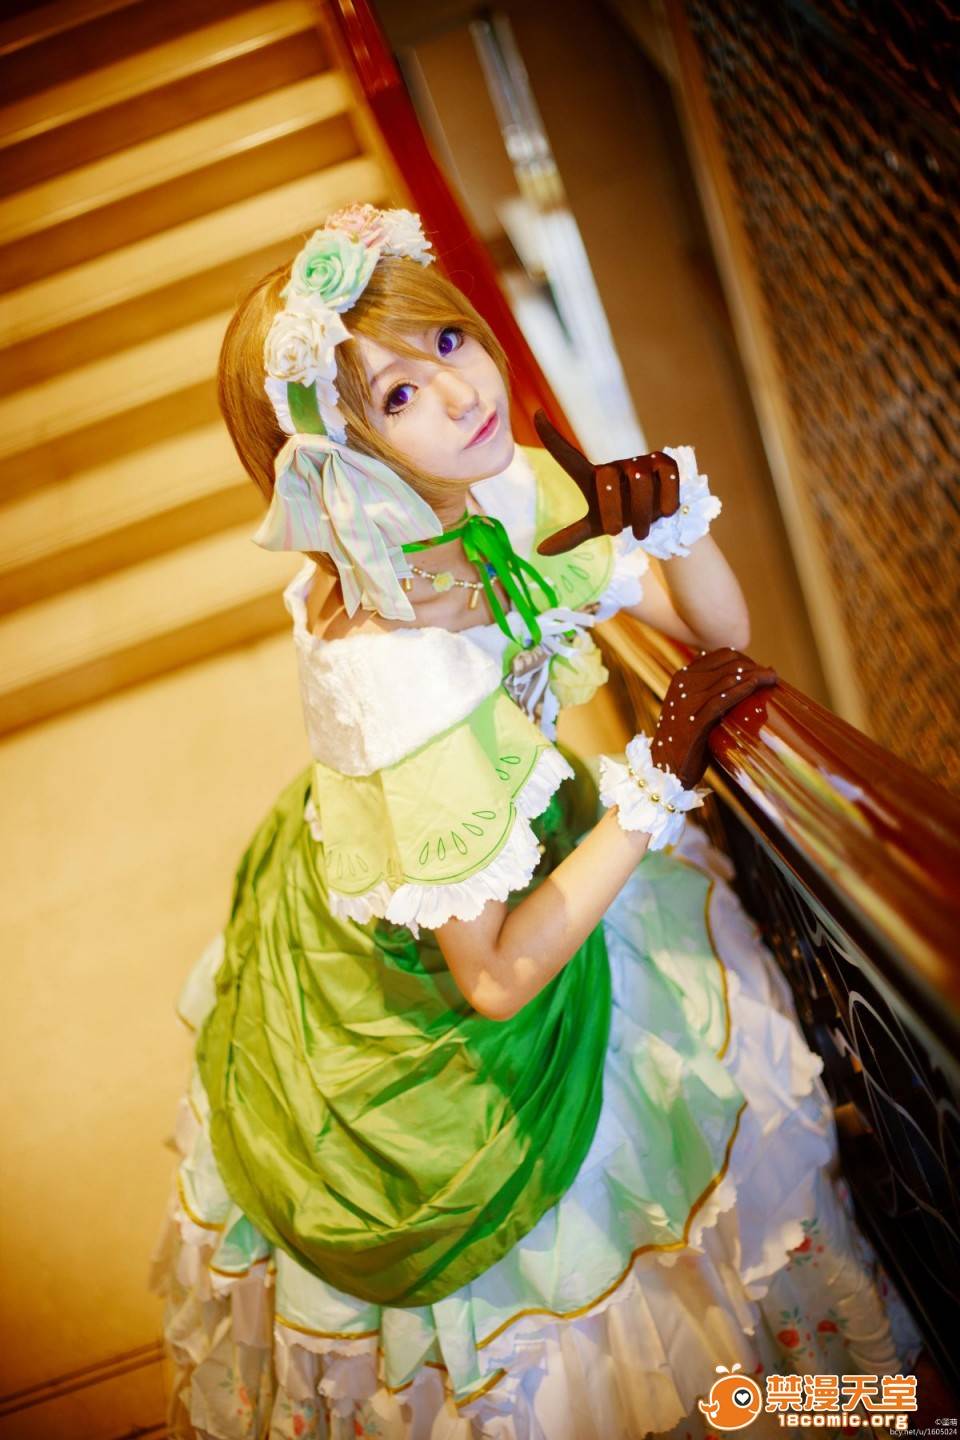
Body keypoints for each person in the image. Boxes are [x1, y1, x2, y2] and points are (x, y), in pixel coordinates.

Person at [149, 204, 922, 1440]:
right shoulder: (400, 677)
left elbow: (717, 637)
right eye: (399, 396)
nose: (462, 394)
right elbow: (497, 979)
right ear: (340, 463)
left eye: (448, 342)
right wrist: (654, 780)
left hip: (495, 847)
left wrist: (674, 519)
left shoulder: (483, 489)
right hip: (448, 974)